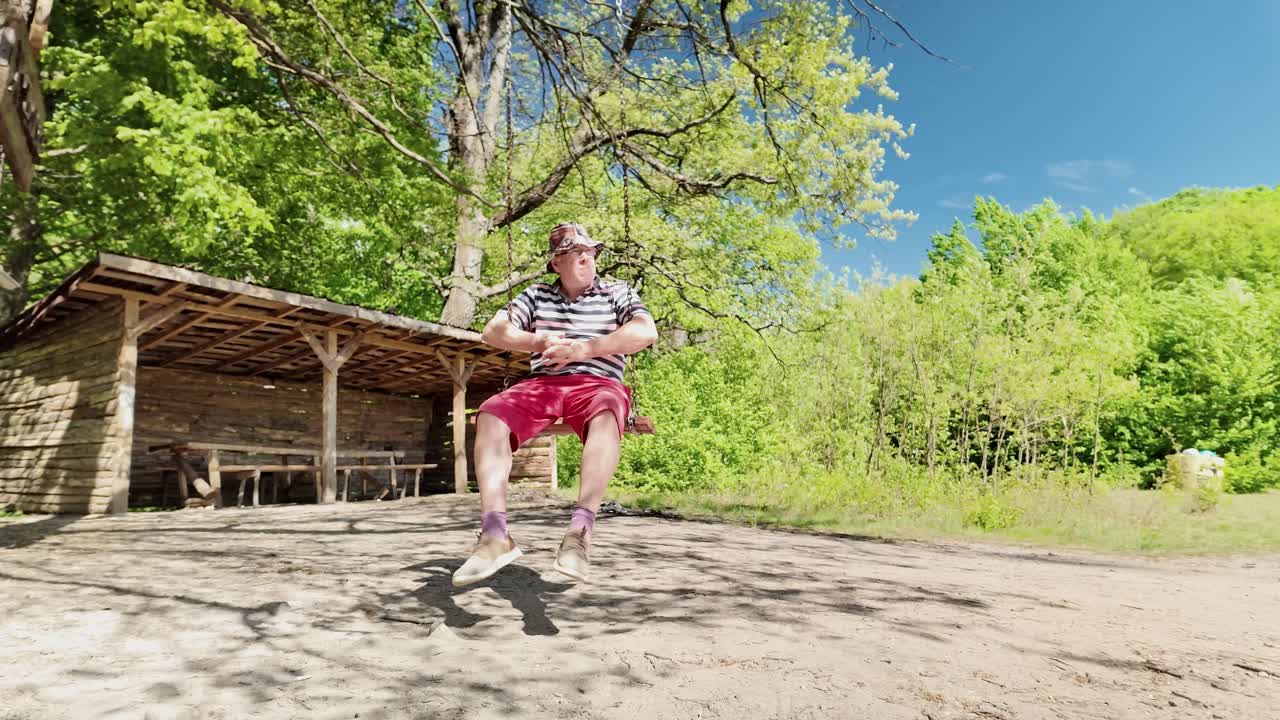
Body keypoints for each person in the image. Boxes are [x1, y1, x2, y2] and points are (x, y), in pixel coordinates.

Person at [452, 222, 657, 587]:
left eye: (589, 251)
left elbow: (645, 332)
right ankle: (494, 535)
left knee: (608, 408)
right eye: (574, 252)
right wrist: (535, 340)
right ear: (556, 262)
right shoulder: (536, 296)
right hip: (543, 385)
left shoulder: (617, 292)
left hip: (598, 384)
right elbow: (492, 331)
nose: (585, 257)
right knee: (491, 413)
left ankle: (579, 534)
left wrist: (586, 348)